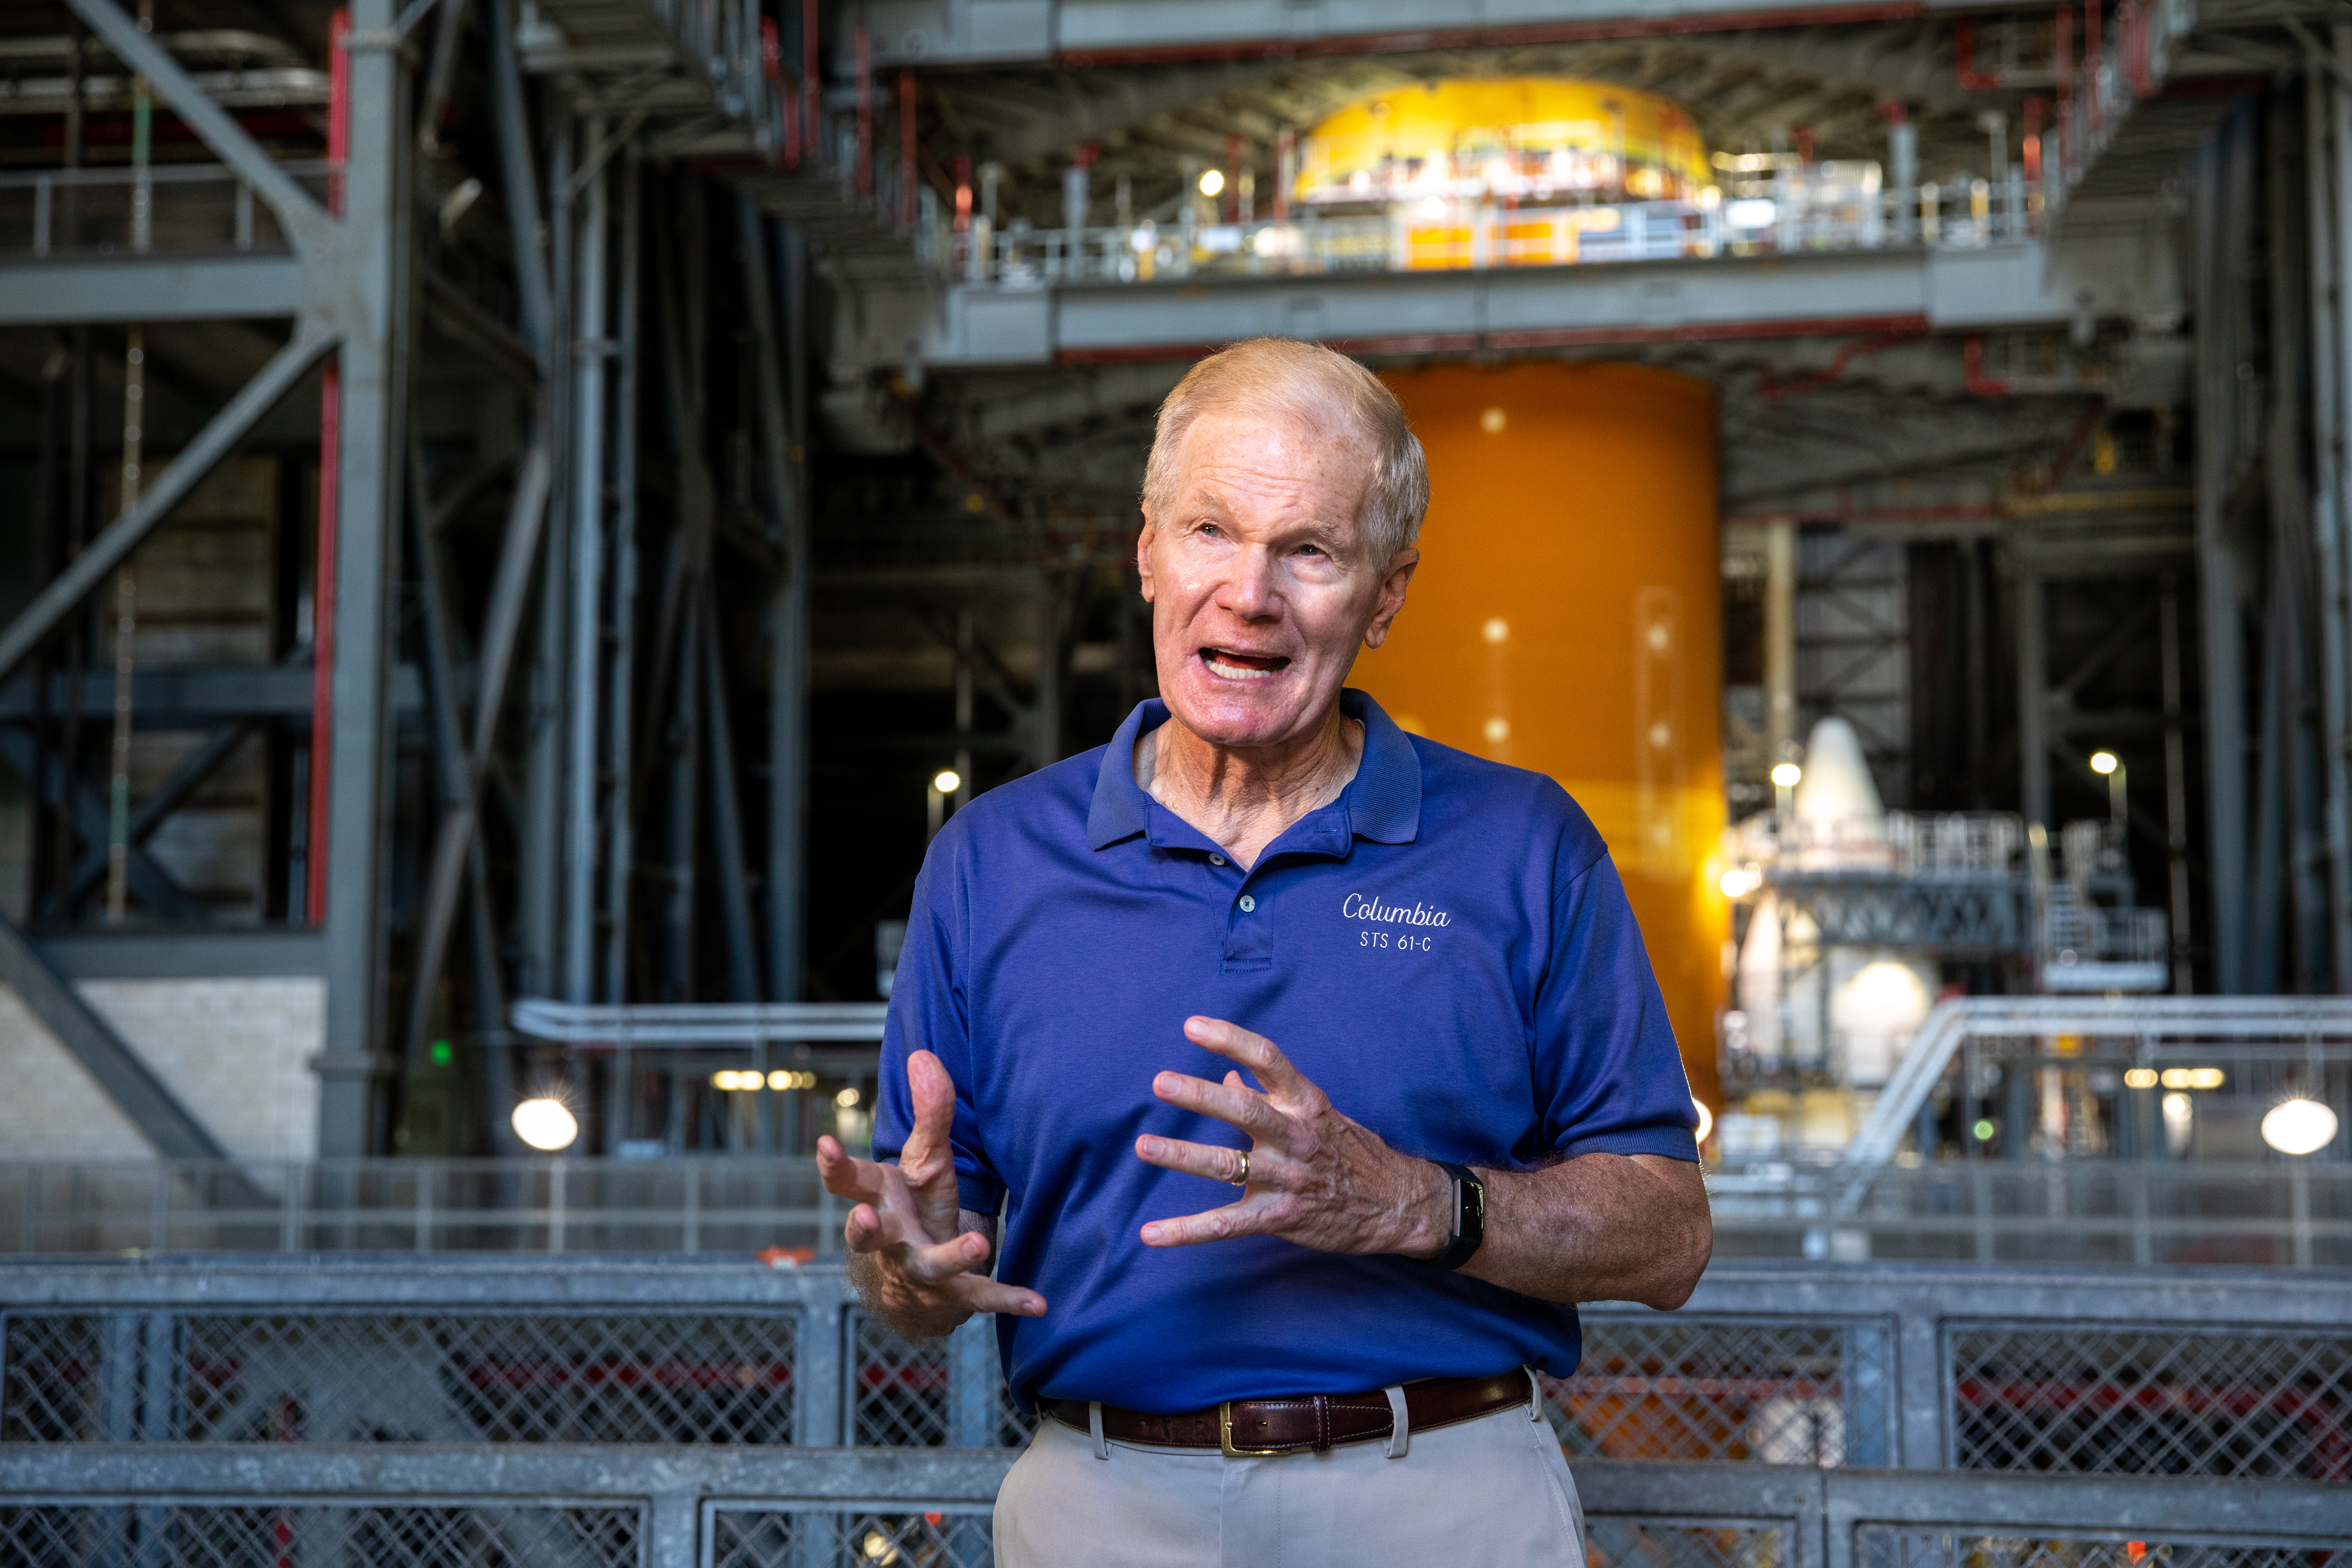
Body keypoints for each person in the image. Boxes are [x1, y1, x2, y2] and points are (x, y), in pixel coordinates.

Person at [817, 337, 1712, 1566]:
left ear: (1387, 594)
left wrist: (1416, 1202)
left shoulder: (1524, 844)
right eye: (1211, 531)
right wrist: (907, 1270)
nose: (1249, 593)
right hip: (1105, 1513)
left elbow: (1669, 1235)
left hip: (1443, 1502)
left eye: (1310, 551)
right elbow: (927, 1279)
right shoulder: (991, 860)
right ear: (1147, 550)